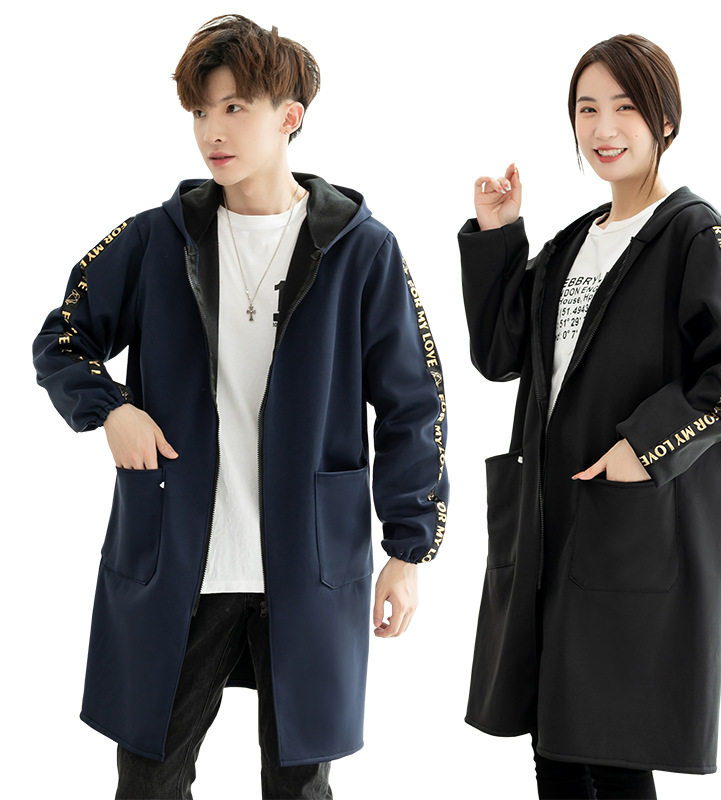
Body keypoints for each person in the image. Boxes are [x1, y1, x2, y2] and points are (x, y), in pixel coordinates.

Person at [32, 14, 447, 800]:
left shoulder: (361, 249)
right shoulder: (157, 240)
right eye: (200, 111)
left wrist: (409, 550)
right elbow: (61, 337)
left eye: (234, 108)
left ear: (290, 116)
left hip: (307, 564)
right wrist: (110, 410)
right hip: (180, 559)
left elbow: (412, 404)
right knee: (149, 782)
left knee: (298, 788)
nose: (211, 132)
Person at [458, 33, 721, 800]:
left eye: (625, 108)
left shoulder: (693, 232)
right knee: (557, 742)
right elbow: (500, 355)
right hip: (551, 520)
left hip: (629, 525)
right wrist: (498, 236)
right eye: (587, 108)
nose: (603, 128)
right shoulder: (573, 243)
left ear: (665, 120)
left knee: (613, 747)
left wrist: (647, 446)